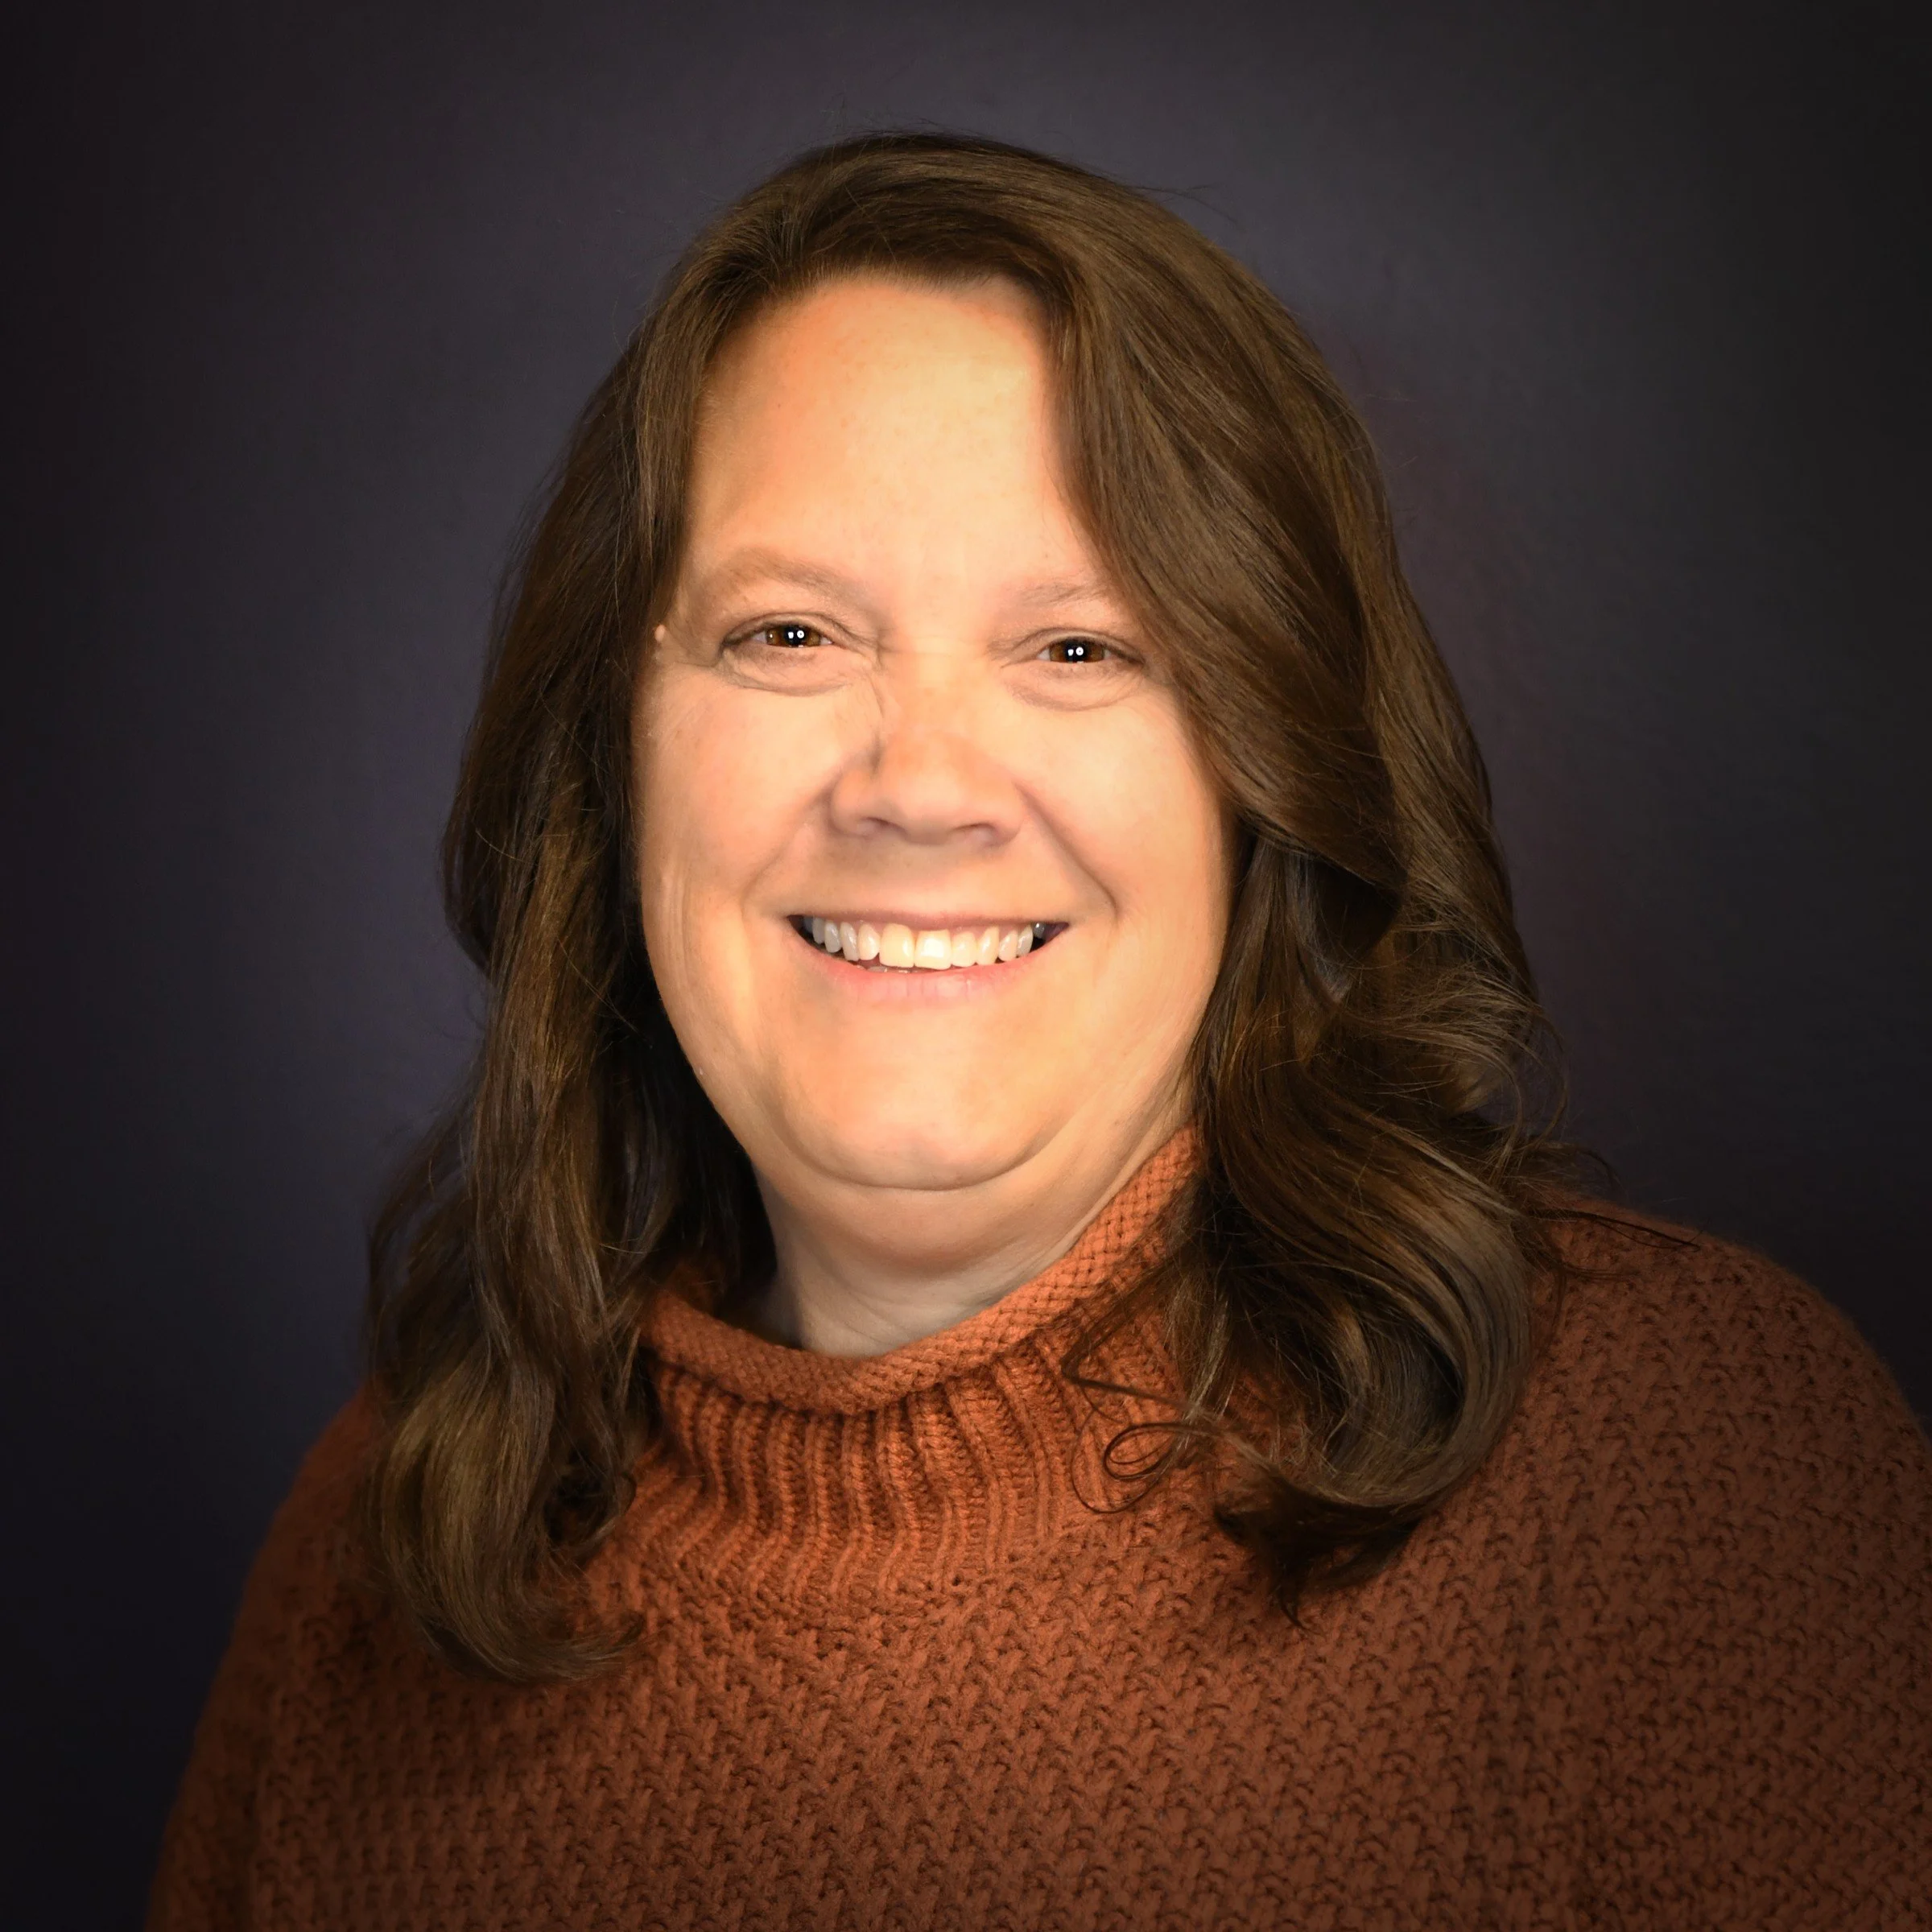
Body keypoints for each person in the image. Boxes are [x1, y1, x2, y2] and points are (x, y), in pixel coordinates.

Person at [148, 133, 1932, 1930]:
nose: (918, 787)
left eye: (1080, 649)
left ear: (1269, 777)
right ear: (612, 760)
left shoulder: (1692, 1486)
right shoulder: (384, 1544)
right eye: (788, 632)